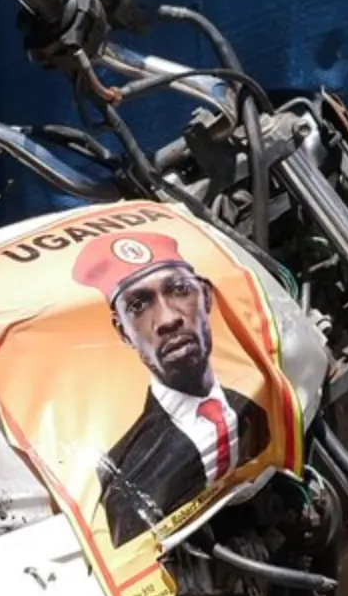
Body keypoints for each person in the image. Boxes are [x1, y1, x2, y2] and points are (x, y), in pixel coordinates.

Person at [75, 230, 270, 547]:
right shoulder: (124, 479)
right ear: (122, 331)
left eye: (179, 291)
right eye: (138, 305)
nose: (166, 319)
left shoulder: (261, 402)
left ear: (206, 296)